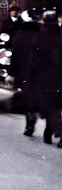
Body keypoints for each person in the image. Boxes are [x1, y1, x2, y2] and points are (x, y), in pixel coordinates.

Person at [21, 11, 60, 145]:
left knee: (44, 104)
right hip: (57, 76)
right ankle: (50, 131)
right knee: (54, 105)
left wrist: (29, 77)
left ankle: (53, 131)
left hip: (43, 77)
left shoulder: (40, 36)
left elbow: (34, 60)